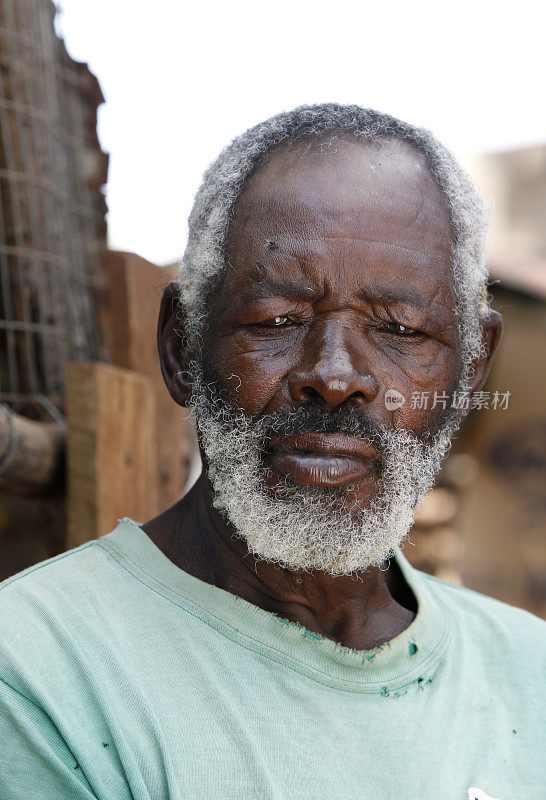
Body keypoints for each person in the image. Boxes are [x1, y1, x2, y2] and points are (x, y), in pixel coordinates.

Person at [1, 104, 544, 800]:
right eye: (278, 320)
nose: (336, 375)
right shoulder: (38, 674)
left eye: (401, 328)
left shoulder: (531, 677)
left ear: (471, 372)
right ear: (182, 349)